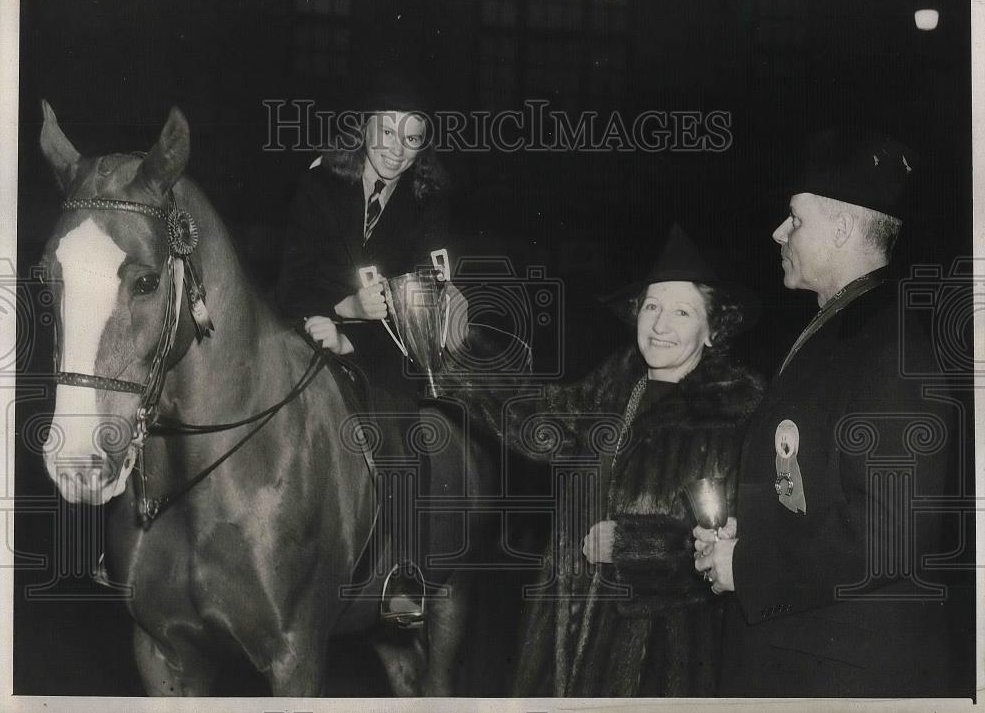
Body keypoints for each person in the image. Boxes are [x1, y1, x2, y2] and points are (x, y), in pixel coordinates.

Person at [694, 128, 958, 696]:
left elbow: (888, 533)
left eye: (795, 219)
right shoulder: (845, 328)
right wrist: (755, 534)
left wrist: (750, 568)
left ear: (841, 229)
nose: (778, 232)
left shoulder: (891, 350)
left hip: (837, 675)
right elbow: (822, 487)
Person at [452, 225, 764, 696]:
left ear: (713, 329)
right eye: (652, 306)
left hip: (662, 656)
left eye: (682, 311)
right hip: (568, 632)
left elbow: (740, 549)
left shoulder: (736, 409)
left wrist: (631, 547)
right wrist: (459, 346)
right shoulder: (618, 384)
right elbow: (536, 421)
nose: (660, 325)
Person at [276, 84, 451, 624]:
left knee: (398, 441)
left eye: (412, 137)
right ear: (364, 128)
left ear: (423, 147)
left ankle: (406, 573)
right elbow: (292, 278)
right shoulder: (320, 183)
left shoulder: (430, 204)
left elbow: (428, 301)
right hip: (310, 327)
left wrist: (355, 331)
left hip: (385, 354)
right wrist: (333, 311)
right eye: (385, 130)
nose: (396, 148)